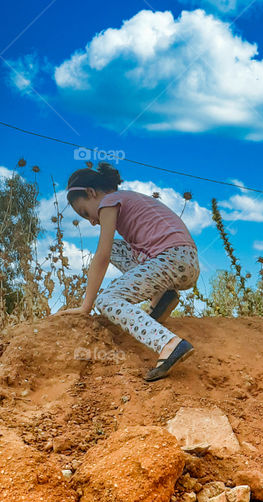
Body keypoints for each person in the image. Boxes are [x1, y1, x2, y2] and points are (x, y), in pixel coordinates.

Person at [60, 163, 199, 381]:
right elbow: (112, 250)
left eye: (85, 212)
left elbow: (102, 255)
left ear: (91, 192)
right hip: (183, 259)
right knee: (117, 247)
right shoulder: (126, 197)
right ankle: (163, 296)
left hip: (171, 259)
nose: (93, 221)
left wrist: (86, 306)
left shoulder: (108, 202)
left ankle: (169, 344)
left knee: (106, 300)